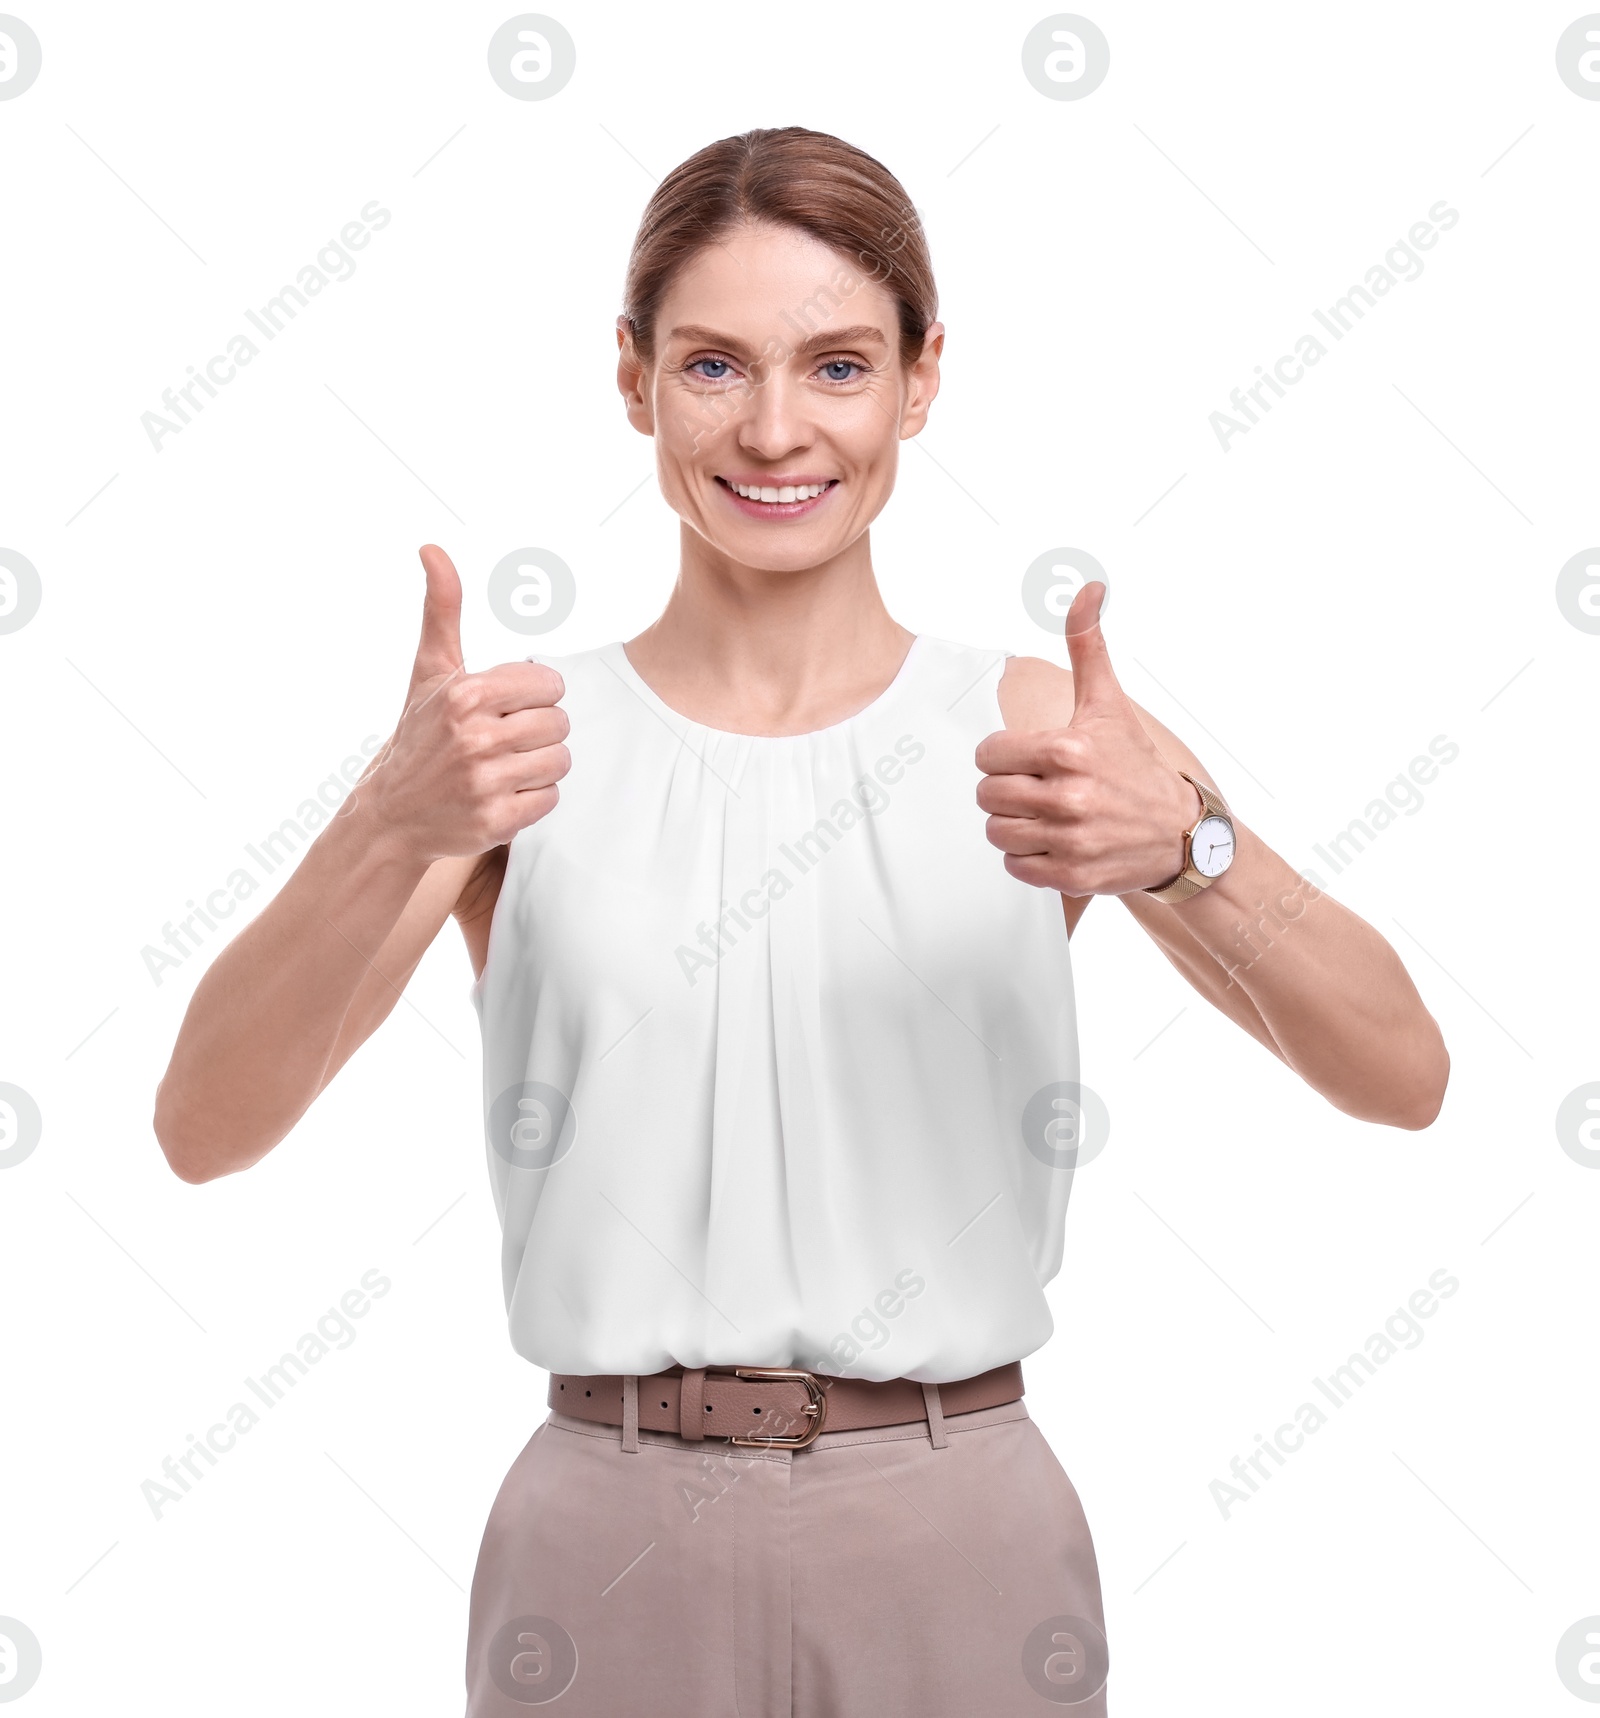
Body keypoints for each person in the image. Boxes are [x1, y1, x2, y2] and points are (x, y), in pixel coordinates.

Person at [153, 126, 1450, 1716]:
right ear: (630, 378)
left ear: (919, 381)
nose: (776, 429)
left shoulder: (1037, 728)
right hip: (606, 1538)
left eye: (838, 365)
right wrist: (384, 824)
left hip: (954, 1522)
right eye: (713, 365)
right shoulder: (515, 753)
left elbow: (1405, 1072)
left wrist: (1185, 850)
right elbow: (202, 1127)